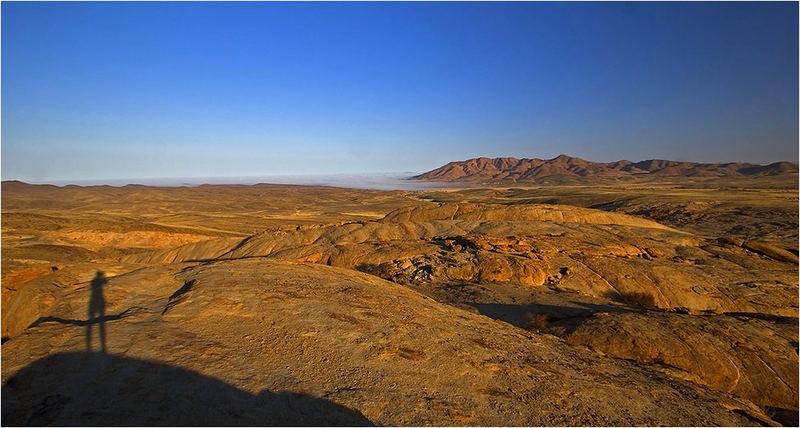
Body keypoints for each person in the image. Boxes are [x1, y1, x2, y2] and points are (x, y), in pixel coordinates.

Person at [86, 271, 108, 353]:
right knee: (101, 315)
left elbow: (92, 288)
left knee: (92, 317)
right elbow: (105, 286)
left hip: (93, 299)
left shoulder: (93, 281)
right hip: (100, 298)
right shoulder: (100, 281)